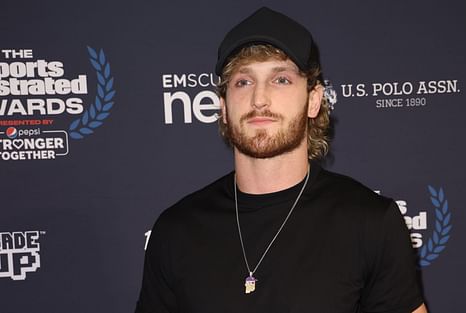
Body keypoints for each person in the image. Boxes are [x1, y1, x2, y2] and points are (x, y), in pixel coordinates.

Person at [135, 7, 427, 313]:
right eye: (243, 82)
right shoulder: (176, 231)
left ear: (313, 100)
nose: (259, 98)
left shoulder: (370, 222)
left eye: (281, 79)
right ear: (223, 106)